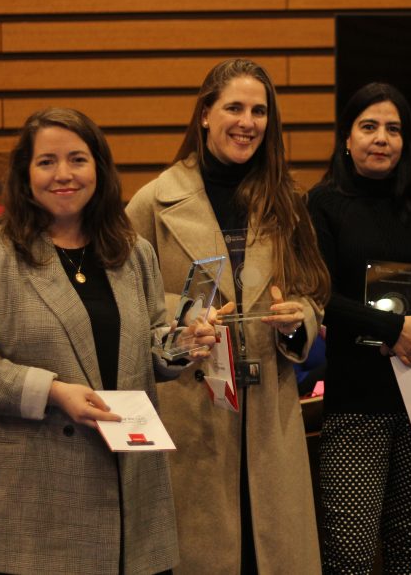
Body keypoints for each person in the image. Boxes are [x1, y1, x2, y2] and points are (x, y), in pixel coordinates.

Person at [0, 107, 215, 575]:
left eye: (78, 160)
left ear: (99, 170)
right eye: (46, 162)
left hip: (123, 495)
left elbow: (149, 342)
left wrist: (181, 343)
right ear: (25, 175)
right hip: (21, 503)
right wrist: (54, 393)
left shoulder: (131, 253)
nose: (63, 174)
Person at [126, 58, 331, 574]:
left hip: (271, 417)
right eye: (234, 107)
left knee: (271, 556)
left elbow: (313, 291)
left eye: (259, 111)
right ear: (204, 115)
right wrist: (185, 315)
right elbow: (128, 303)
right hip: (192, 411)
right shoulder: (152, 202)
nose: (247, 122)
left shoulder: (286, 199)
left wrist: (297, 315)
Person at [307, 82, 411, 574]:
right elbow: (317, 294)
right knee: (351, 555)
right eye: (369, 126)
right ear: (347, 138)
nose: (381, 138)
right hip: (357, 401)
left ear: (406, 141)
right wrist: (391, 328)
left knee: (409, 545)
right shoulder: (322, 204)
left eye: (393, 129)